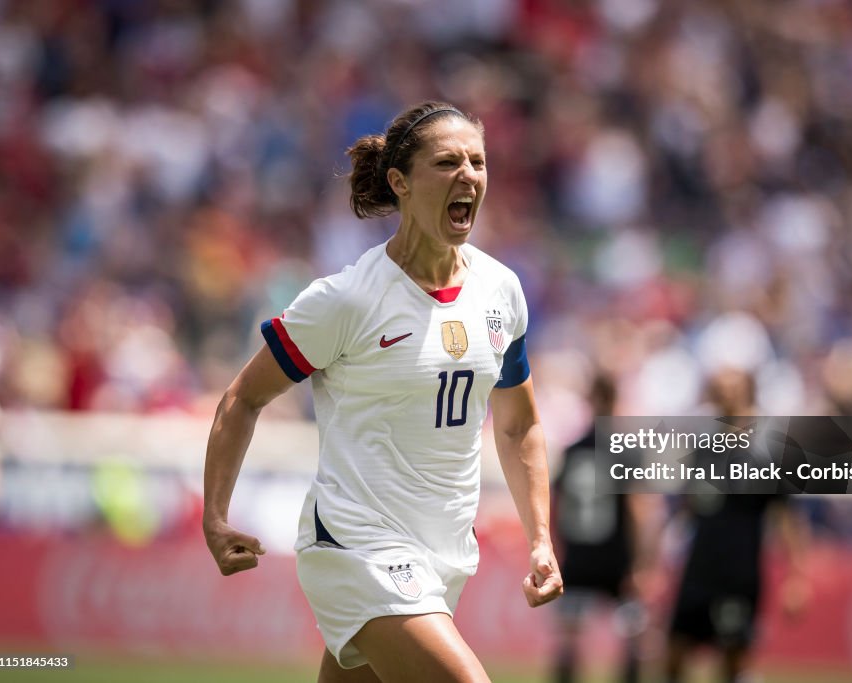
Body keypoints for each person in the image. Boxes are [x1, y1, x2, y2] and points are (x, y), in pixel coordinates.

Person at [203, 101, 563, 683]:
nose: (468, 174)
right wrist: (215, 517)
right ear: (400, 182)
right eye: (447, 162)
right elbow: (242, 399)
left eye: (478, 160)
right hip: (355, 542)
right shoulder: (345, 299)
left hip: (444, 551)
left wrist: (541, 539)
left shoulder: (502, 290)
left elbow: (519, 425)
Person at [664, 367, 809, 683]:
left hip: (739, 571)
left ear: (748, 392)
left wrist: (796, 577)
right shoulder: (703, 450)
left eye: (734, 387)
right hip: (699, 566)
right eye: (720, 388)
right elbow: (688, 509)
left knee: (733, 658)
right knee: (673, 653)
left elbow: (786, 517)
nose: (726, 394)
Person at [551, 371, 660, 683]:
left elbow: (556, 507)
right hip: (617, 557)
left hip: (579, 556)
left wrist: (557, 551)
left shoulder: (573, 450)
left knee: (569, 638)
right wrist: (644, 562)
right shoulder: (625, 451)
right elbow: (639, 510)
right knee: (633, 636)